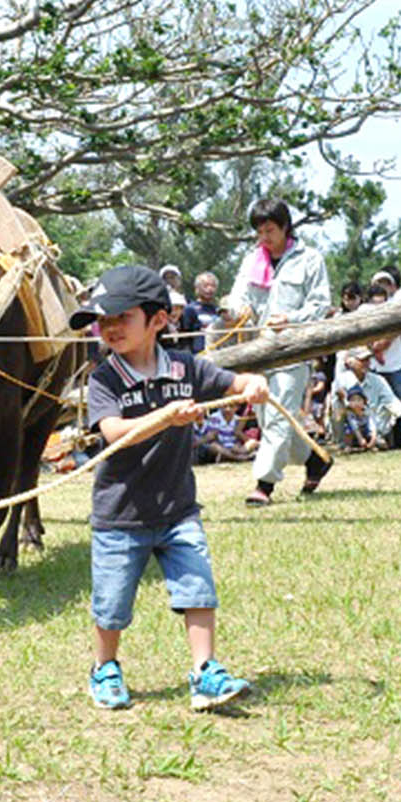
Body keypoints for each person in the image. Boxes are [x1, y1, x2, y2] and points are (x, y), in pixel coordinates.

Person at [75, 264, 267, 712]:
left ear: (158, 320)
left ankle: (205, 673)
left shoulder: (186, 367)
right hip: (120, 516)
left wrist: (251, 383)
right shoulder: (104, 379)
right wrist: (163, 417)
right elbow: (113, 431)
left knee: (198, 589)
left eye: (121, 317)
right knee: (112, 605)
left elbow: (232, 382)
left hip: (179, 510)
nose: (109, 328)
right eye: (103, 320)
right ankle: (105, 666)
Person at [223, 198, 332, 505]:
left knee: (277, 415)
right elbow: (238, 297)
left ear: (285, 227)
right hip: (256, 351)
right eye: (259, 231)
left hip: (293, 351)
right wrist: (232, 311)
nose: (264, 237)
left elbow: (320, 303)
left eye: (270, 230)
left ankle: (264, 484)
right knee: (269, 414)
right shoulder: (251, 261)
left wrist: (292, 318)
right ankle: (314, 460)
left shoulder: (310, 258)